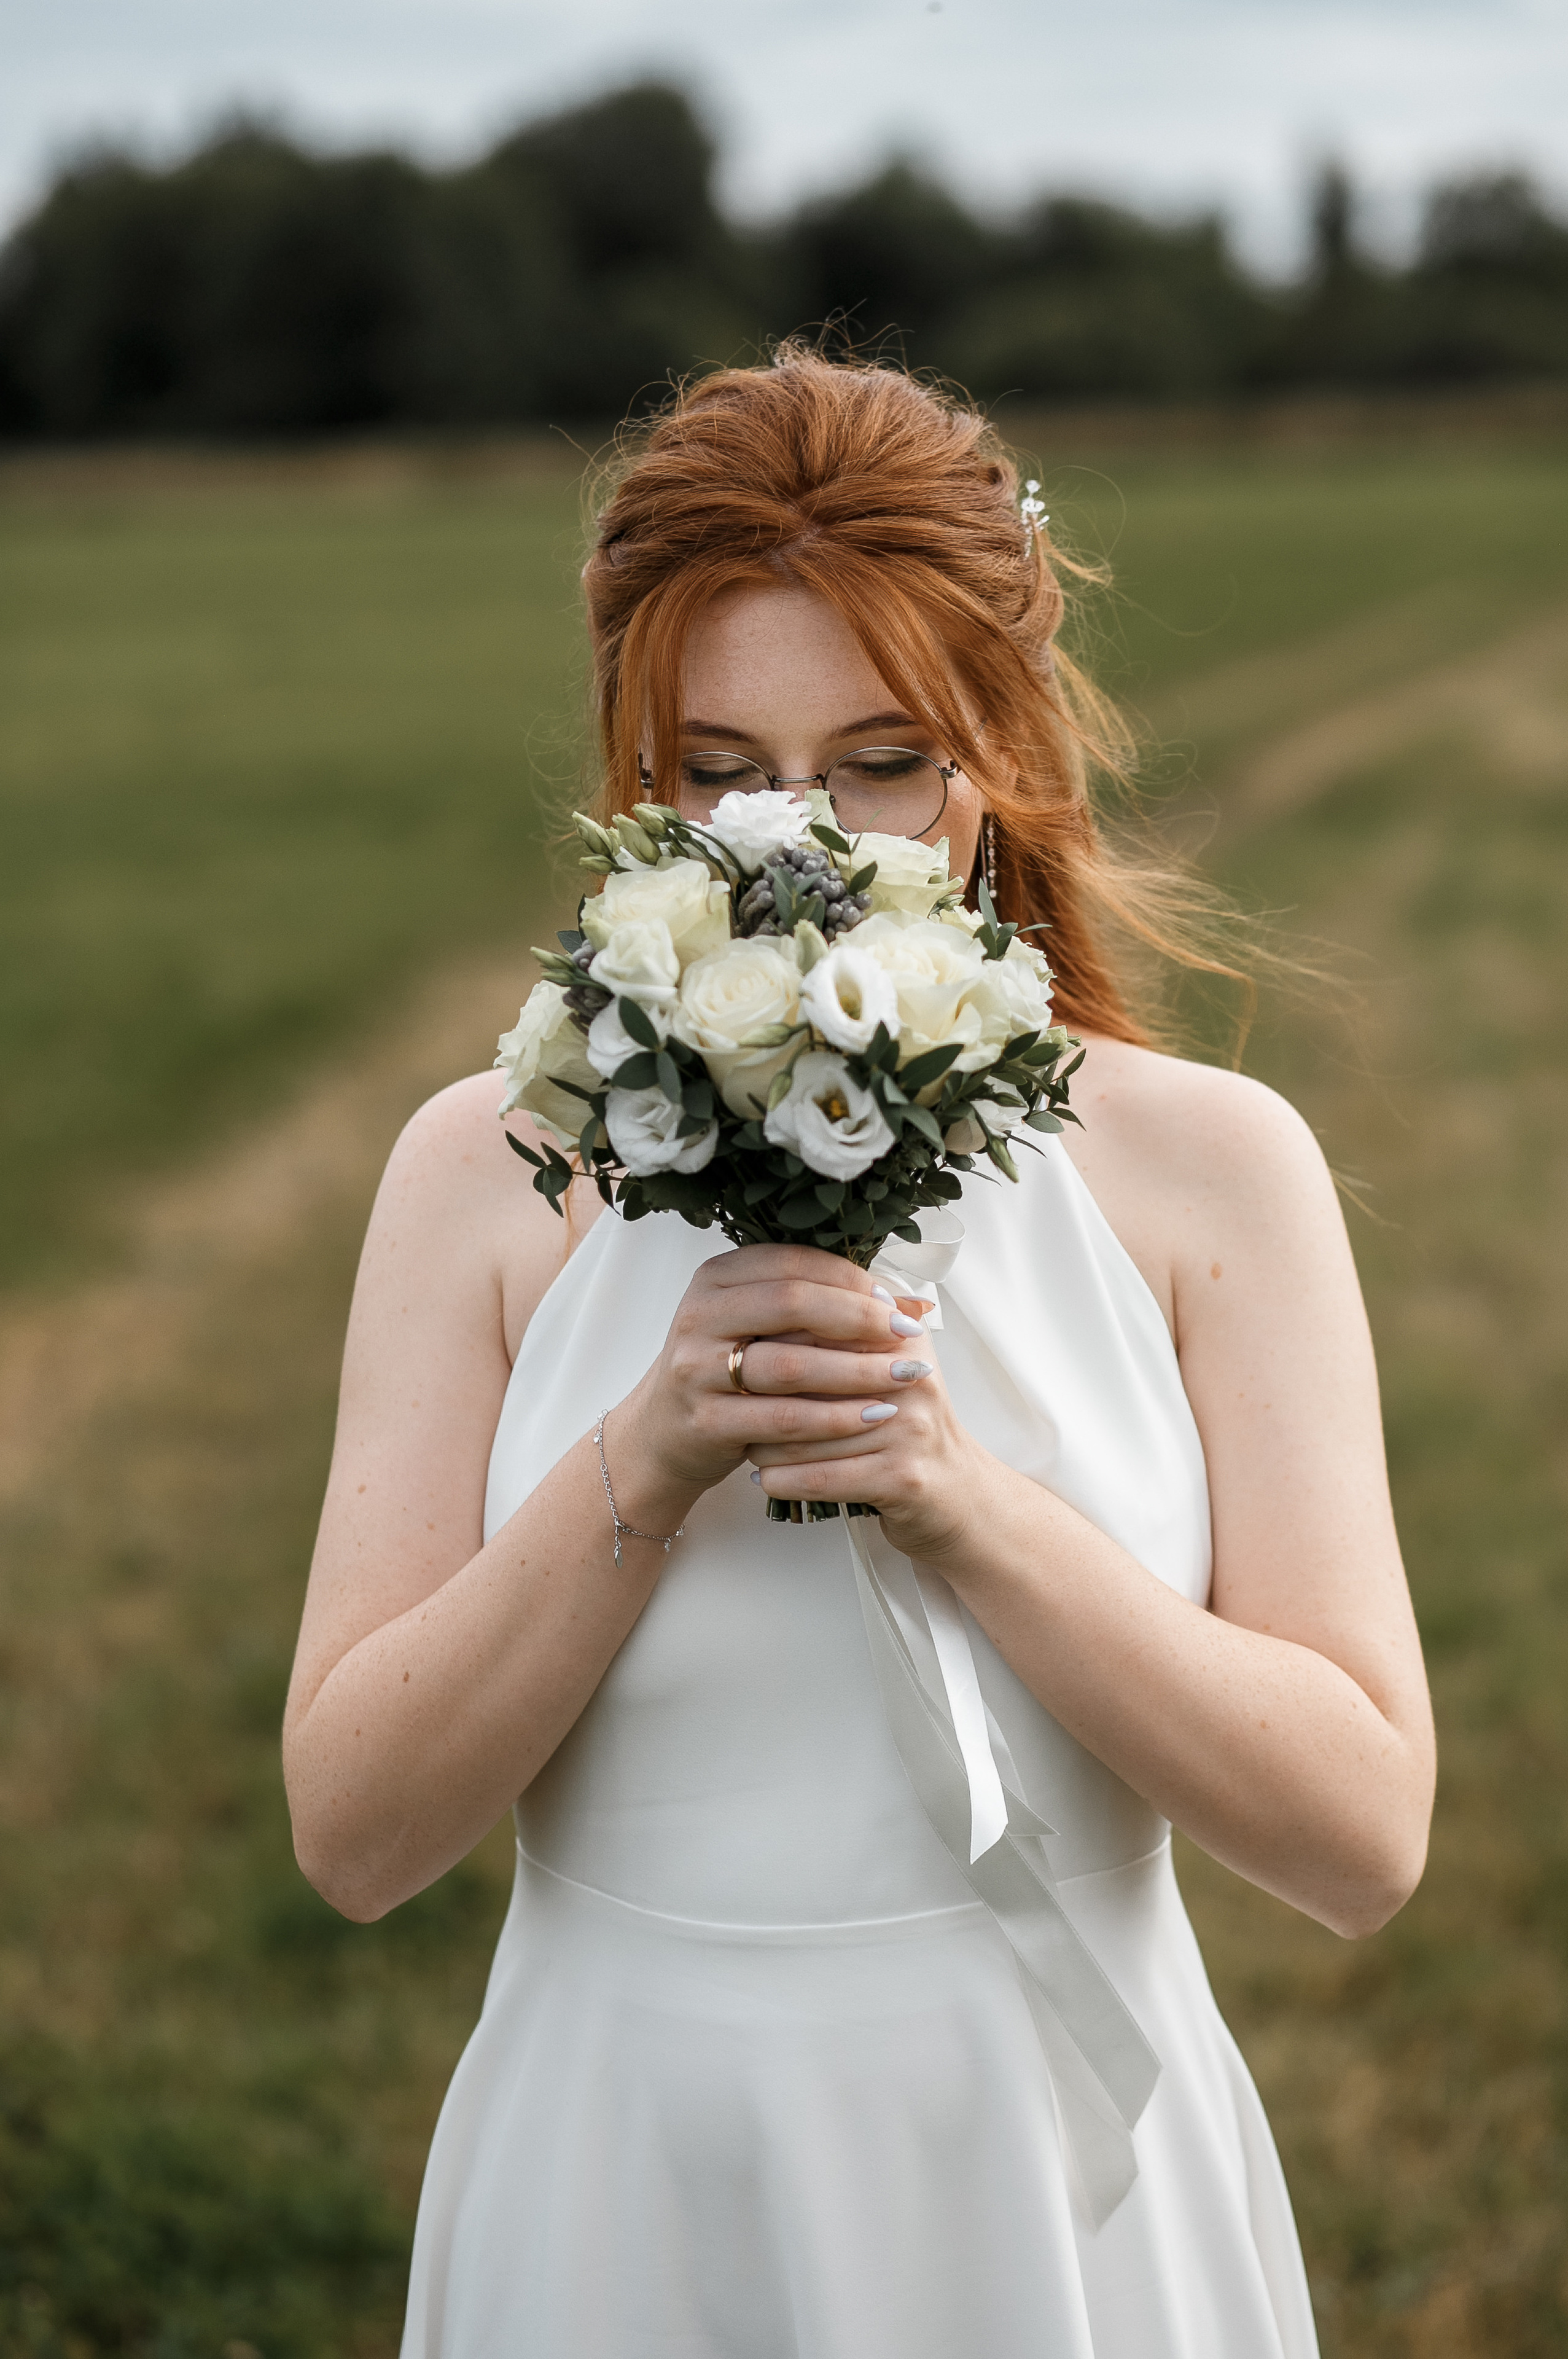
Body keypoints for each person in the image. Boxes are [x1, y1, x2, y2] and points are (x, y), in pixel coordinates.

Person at [283, 349, 1434, 2359]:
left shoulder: (1210, 1175)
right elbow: (358, 1837)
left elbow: (1362, 1840)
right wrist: (639, 1464)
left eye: (883, 758)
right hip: (627, 2160)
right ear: (631, 772)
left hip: (1047, 2163)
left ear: (1001, 756)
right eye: (715, 766)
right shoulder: (481, 1175)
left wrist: (967, 1506)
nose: (791, 842)